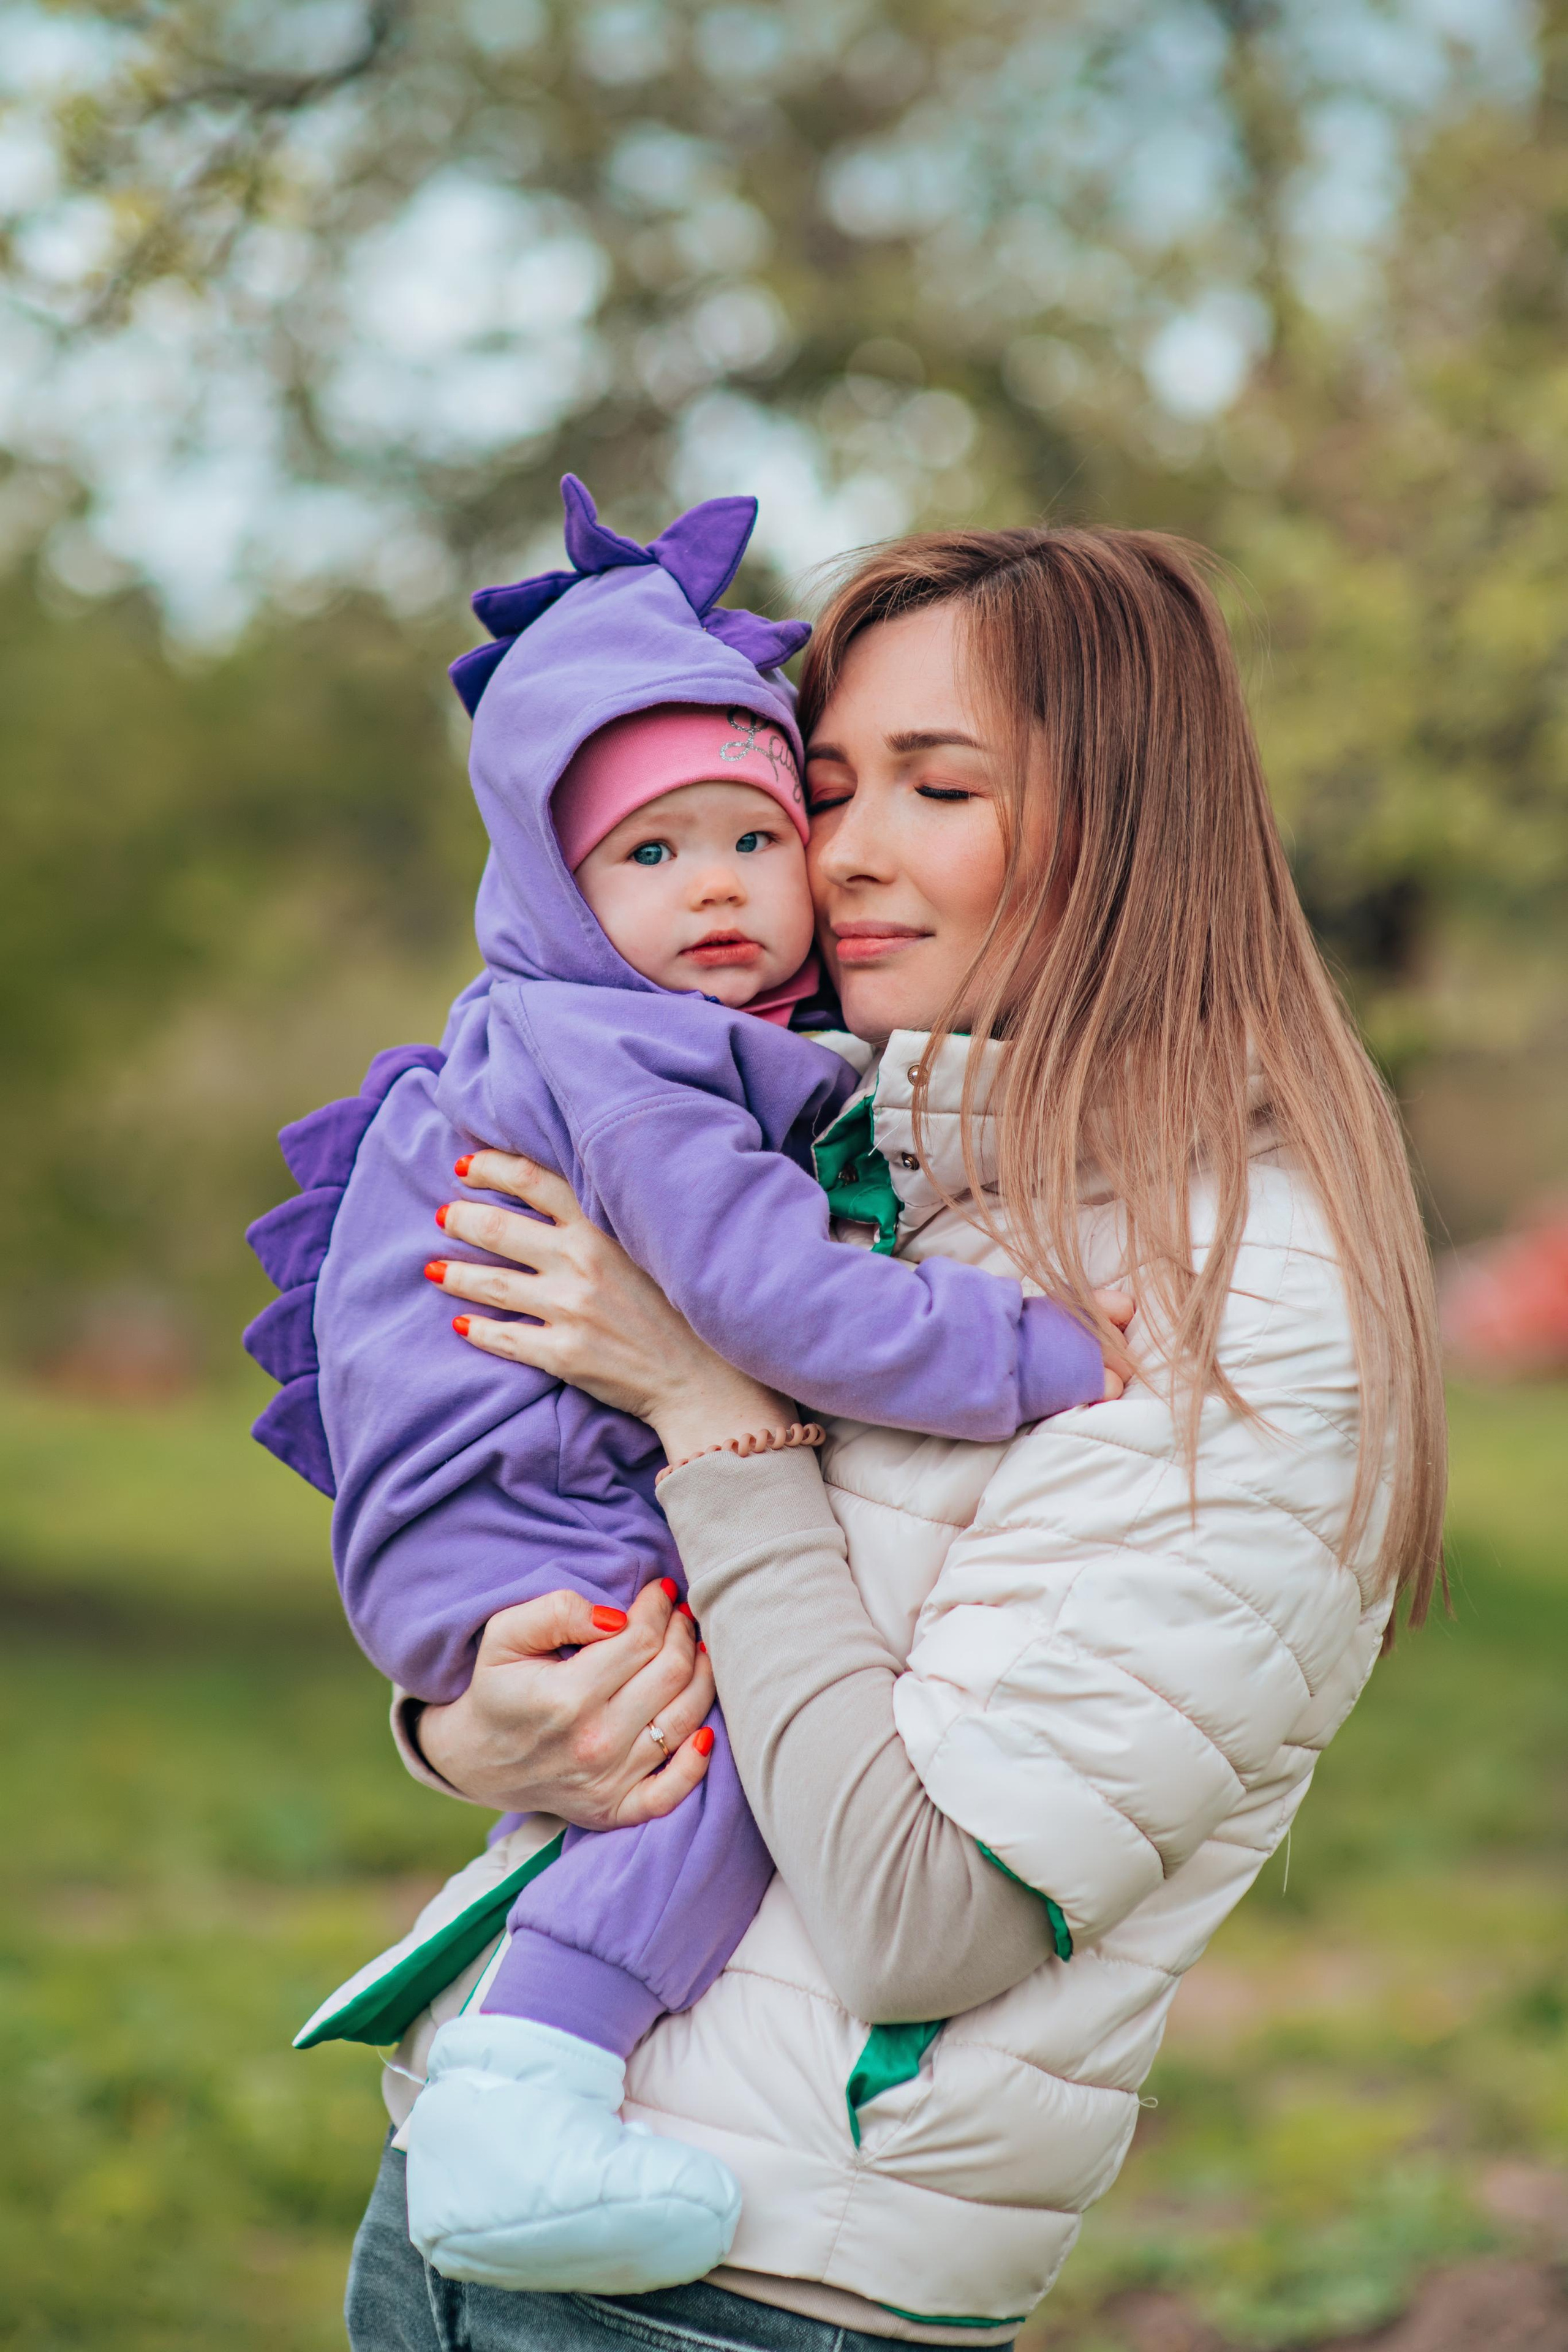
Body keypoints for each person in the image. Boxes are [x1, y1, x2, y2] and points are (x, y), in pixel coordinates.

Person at [338, 521, 1446, 2352]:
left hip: (757, 2291)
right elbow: (668, 1611)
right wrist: (479, 1724)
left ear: (1130, 832)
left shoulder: (1253, 1297)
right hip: (483, 2210)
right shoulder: (895, 1178)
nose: (839, 853)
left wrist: (707, 1404)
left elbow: (926, 1918)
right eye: (823, 786)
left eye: (940, 787)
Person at [243, 477, 1125, 2295]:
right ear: (547, 885)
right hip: (523, 1505)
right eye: (647, 858)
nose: (722, 887)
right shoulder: (632, 1064)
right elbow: (777, 1305)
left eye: (752, 835)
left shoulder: (593, 1027)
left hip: (470, 1514)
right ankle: (522, 2084)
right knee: (722, 1746)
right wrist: (1035, 1353)